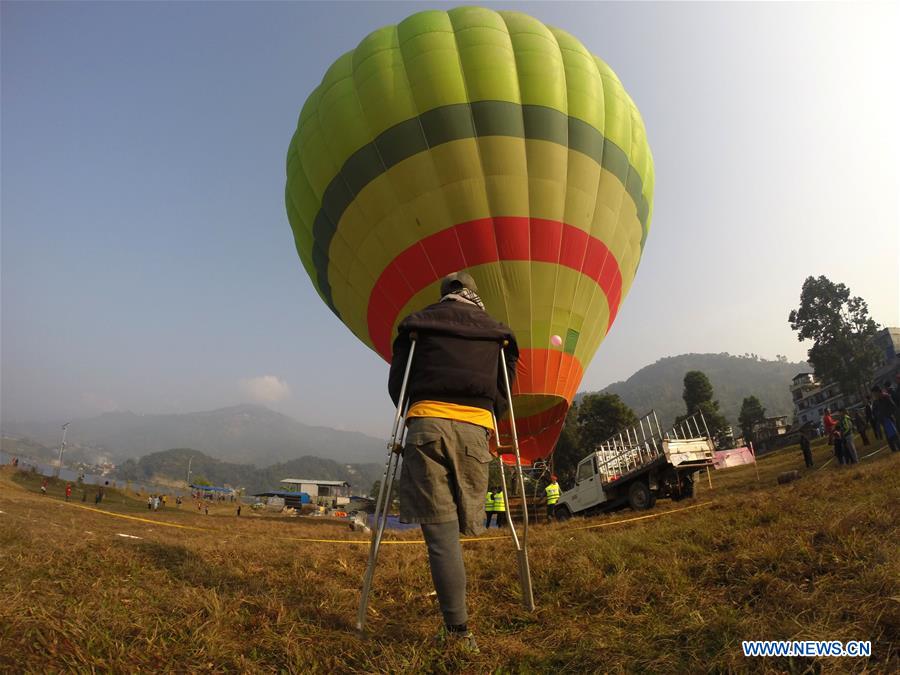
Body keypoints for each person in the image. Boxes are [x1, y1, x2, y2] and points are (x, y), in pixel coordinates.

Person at [389, 270, 518, 653]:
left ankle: (459, 631)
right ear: (474, 295)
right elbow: (505, 394)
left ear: (444, 295)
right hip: (475, 432)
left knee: (442, 539)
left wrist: (414, 409)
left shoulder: (417, 324)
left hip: (426, 426)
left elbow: (398, 386)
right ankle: (463, 625)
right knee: (464, 525)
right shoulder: (498, 333)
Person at [871, 386, 900, 452]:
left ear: (878, 392)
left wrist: (888, 414)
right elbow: (875, 411)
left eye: (874, 394)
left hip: (890, 419)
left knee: (894, 436)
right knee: (889, 437)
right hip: (883, 421)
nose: (874, 396)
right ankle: (893, 450)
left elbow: (893, 407)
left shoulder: (886, 397)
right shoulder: (876, 401)